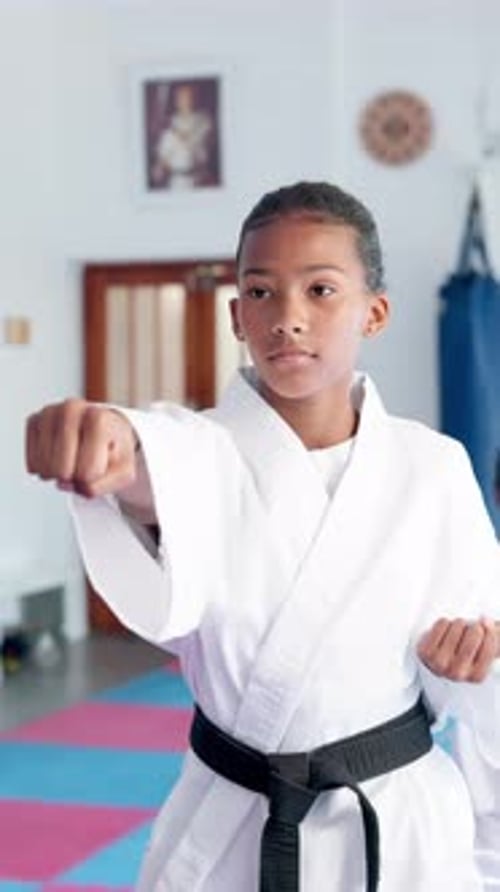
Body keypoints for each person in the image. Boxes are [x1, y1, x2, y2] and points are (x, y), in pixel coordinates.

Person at [26, 182, 500, 891]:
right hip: (236, 817)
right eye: (260, 292)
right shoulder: (201, 449)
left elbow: (485, 654)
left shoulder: (434, 466)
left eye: (320, 290)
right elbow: (156, 460)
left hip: (396, 821)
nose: (288, 318)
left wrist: (473, 655)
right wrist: (112, 438)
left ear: (374, 312)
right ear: (235, 315)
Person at [151, 83, 214, 190]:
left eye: (187, 96)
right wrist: (160, 165)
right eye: (180, 97)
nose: (184, 100)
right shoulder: (170, 123)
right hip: (175, 180)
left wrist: (174, 132)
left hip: (197, 179)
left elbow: (192, 143)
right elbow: (163, 155)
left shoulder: (203, 120)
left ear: (194, 97)